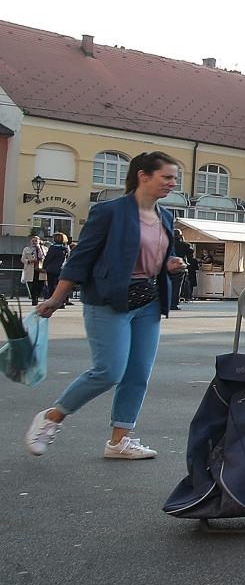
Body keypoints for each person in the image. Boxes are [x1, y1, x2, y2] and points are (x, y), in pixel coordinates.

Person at [25, 152, 189, 459]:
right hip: (109, 299)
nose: (172, 183)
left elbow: (150, 255)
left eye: (174, 178)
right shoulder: (110, 211)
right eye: (166, 177)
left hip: (148, 301)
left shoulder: (165, 216)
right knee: (109, 371)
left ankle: (119, 441)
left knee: (138, 372)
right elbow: (81, 257)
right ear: (143, 175)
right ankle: (51, 418)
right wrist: (57, 297)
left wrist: (170, 263)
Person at [42, 232, 70, 306]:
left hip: (51, 269)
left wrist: (44, 266)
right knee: (60, 286)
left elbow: (48, 258)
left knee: (51, 285)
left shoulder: (52, 248)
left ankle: (52, 301)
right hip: (62, 269)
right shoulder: (65, 248)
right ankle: (61, 302)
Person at [169, 228, 194, 310]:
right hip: (179, 267)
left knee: (166, 285)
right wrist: (183, 239)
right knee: (177, 287)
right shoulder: (185, 245)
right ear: (180, 236)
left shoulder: (167, 243)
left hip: (168, 266)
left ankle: (166, 302)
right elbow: (191, 251)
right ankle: (174, 304)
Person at [21, 234, 47, 304]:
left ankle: (37, 296)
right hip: (31, 269)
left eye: (36, 241)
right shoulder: (27, 249)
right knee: (33, 285)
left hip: (41, 269)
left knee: (41, 284)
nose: (34, 242)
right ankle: (34, 299)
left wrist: (39, 248)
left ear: (39, 241)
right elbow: (23, 259)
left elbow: (45, 258)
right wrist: (29, 261)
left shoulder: (44, 249)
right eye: (33, 241)